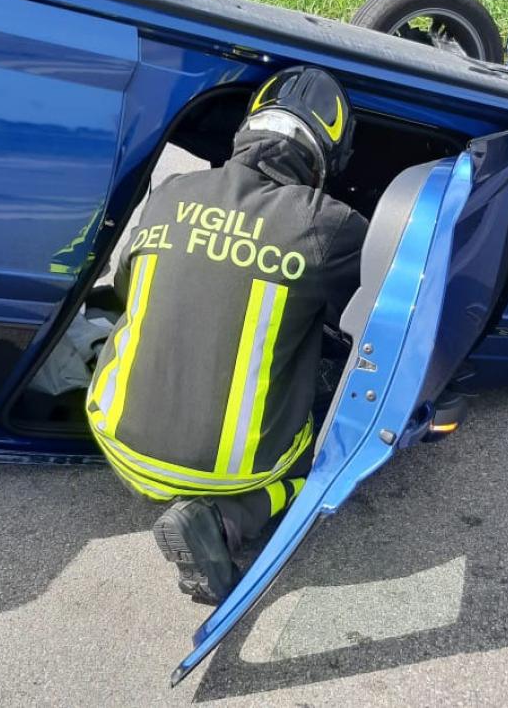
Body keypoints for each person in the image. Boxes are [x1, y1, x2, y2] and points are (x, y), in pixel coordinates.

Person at [84, 65, 368, 602]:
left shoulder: (171, 193)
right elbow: (368, 321)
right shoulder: (328, 223)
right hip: (228, 473)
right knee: (342, 431)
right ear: (328, 153)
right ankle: (227, 519)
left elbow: (124, 287)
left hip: (115, 437)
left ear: (247, 128)